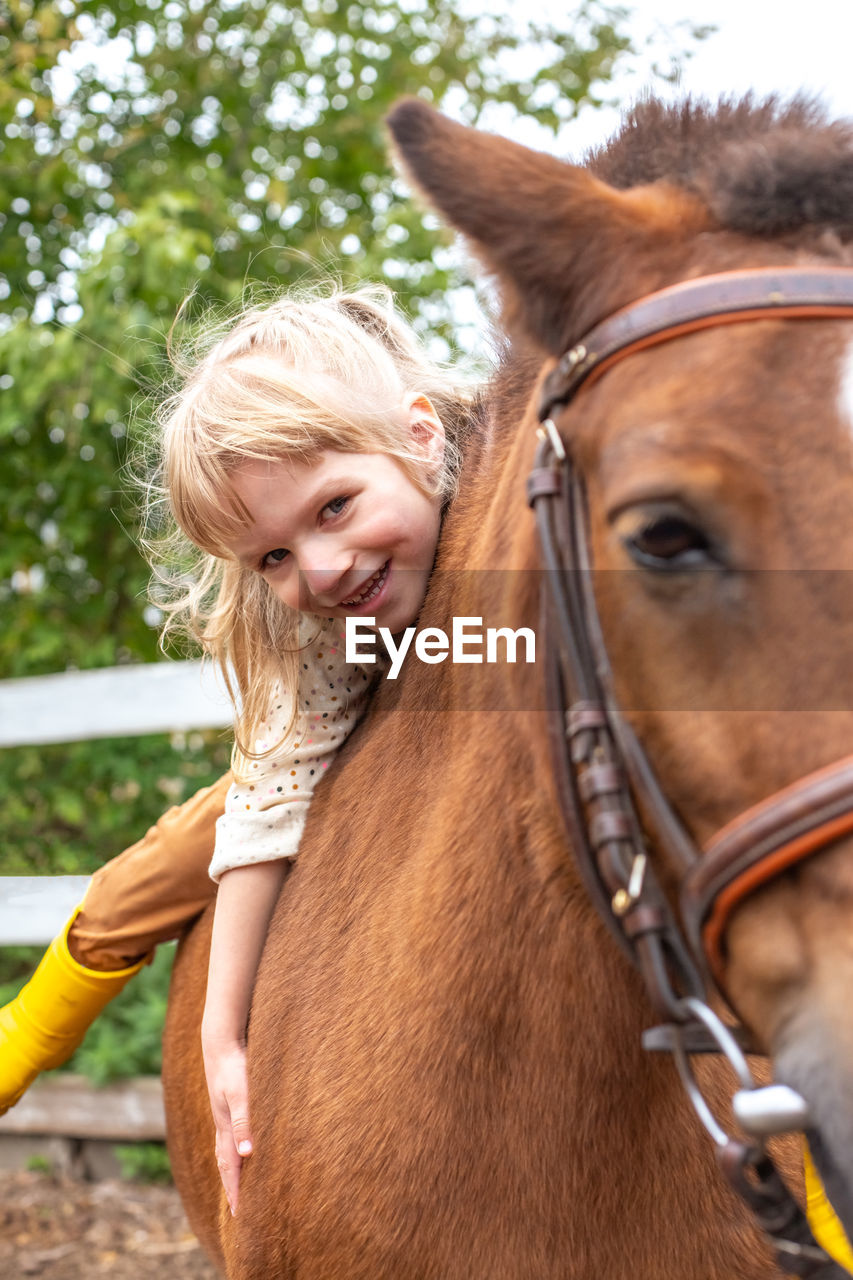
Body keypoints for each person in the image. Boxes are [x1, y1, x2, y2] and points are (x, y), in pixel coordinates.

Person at [0, 284, 477, 1214]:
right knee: (176, 853)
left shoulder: (513, 485)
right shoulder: (315, 626)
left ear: (419, 438)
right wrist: (224, 1033)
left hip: (498, 680)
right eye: (272, 558)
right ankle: (21, 1038)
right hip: (354, 726)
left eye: (334, 508)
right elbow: (269, 803)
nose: (320, 570)